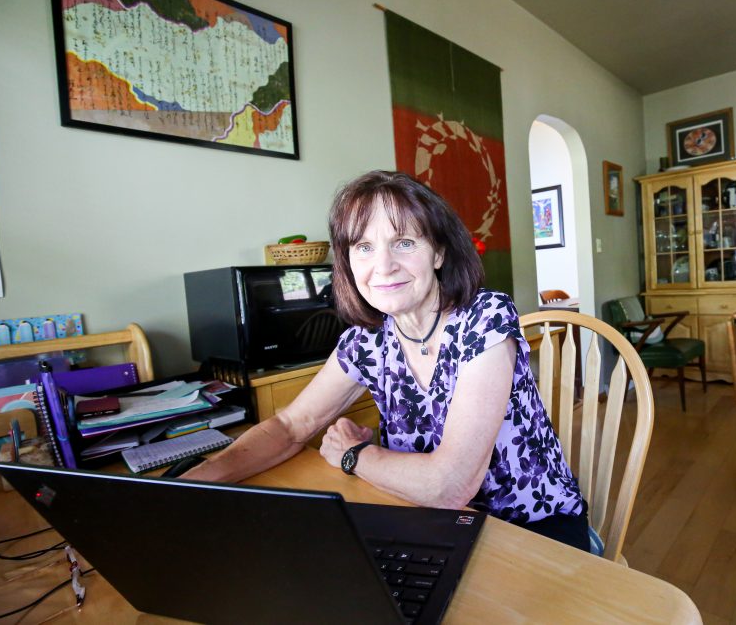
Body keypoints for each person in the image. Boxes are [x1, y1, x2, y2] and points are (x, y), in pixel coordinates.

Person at [185, 170, 589, 551]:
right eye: (363, 247)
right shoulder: (366, 341)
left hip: (531, 529)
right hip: (428, 522)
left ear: (438, 252)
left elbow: (450, 486)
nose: (383, 266)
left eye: (404, 243)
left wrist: (354, 455)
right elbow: (291, 425)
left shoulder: (485, 317)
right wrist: (190, 487)